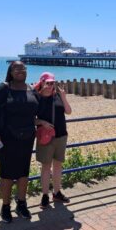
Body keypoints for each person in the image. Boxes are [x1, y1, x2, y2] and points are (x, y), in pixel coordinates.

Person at [0, 61, 39, 223]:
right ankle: (5, 206)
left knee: (24, 173)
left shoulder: (31, 89)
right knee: (7, 174)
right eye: (17, 68)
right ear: (10, 71)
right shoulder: (4, 88)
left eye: (23, 68)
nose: (21, 71)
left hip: (28, 137)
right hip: (7, 138)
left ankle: (21, 203)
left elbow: (37, 109)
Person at [34, 72, 72, 208]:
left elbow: (68, 111)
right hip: (45, 137)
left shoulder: (58, 96)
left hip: (61, 135)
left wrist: (63, 97)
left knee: (57, 166)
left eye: (52, 83)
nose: (50, 86)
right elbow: (30, 118)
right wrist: (42, 122)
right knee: (45, 167)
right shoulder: (36, 98)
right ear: (42, 82)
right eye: (47, 83)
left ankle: (56, 192)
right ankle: (45, 195)